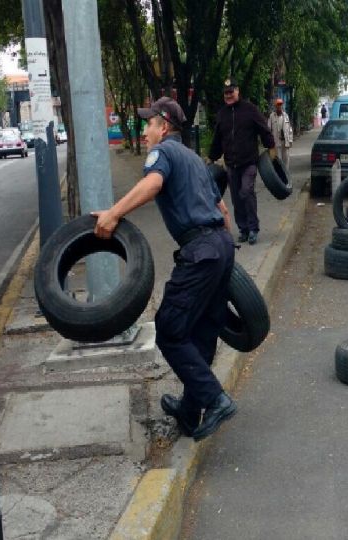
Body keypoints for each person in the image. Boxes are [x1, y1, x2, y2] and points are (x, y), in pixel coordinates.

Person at [92, 96, 238, 442]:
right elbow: (224, 210)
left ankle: (216, 400)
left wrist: (114, 213)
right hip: (220, 245)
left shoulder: (165, 154)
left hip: (200, 250)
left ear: (164, 126)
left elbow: (153, 184)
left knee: (170, 328)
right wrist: (224, 255)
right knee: (201, 332)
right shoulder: (195, 160)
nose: (145, 132)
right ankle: (190, 412)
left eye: (149, 125)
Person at [208, 78, 276, 246]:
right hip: (231, 164)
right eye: (226, 93)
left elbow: (263, 129)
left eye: (231, 92)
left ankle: (253, 228)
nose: (229, 95)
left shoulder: (250, 110)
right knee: (236, 198)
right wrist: (211, 157)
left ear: (238, 91)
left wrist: (271, 147)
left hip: (249, 162)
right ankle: (243, 229)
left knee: (246, 191)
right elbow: (217, 139)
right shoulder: (222, 114)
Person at [267, 97, 294, 170]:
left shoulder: (286, 116)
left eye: (281, 104)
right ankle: (279, 176)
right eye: (278, 104)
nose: (279, 106)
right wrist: (269, 143)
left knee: (286, 159)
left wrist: (290, 140)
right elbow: (268, 129)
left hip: (285, 142)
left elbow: (290, 129)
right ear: (275, 106)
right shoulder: (272, 116)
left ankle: (286, 175)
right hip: (276, 142)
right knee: (278, 160)